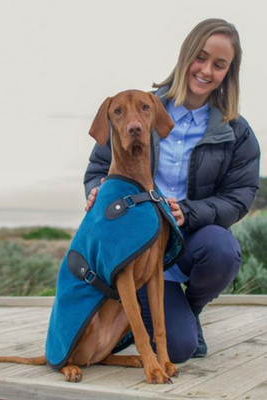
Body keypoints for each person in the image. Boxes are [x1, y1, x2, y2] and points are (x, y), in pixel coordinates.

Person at [83, 18, 260, 363]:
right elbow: (96, 170)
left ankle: (190, 309)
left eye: (219, 64)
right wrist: (95, 191)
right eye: (201, 57)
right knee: (180, 350)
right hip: (138, 252)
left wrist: (189, 212)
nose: (206, 70)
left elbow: (239, 196)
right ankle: (150, 319)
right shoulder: (139, 108)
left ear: (228, 72)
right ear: (186, 56)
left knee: (222, 248)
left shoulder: (236, 131)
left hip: (188, 242)